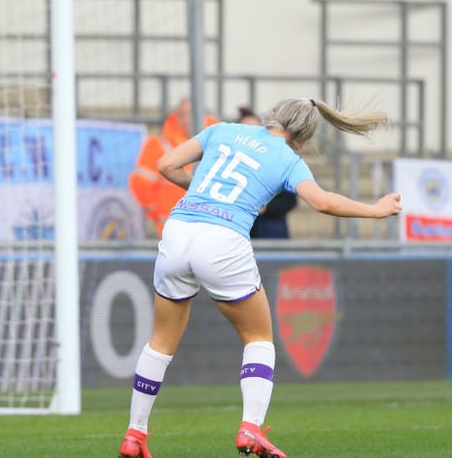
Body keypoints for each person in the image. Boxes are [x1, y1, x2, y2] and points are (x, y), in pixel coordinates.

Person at [117, 98, 402, 458]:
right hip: (223, 238)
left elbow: (165, 164)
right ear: (301, 139)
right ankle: (251, 428)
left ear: (273, 117)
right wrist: (376, 210)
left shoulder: (222, 130)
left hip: (178, 229)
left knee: (160, 341)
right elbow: (323, 202)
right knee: (258, 337)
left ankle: (135, 435)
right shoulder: (287, 159)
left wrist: (202, 193)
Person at [129, 98, 220, 236]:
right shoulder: (158, 144)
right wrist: (156, 214)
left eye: (191, 114)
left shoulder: (220, 142)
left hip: (210, 228)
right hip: (171, 228)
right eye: (182, 115)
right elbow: (140, 184)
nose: (187, 120)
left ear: (204, 115)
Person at [237, 107, 298, 239]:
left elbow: (290, 200)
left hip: (270, 233)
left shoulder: (278, 160)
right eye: (246, 128)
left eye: (254, 129)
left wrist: (265, 208)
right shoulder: (228, 162)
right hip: (239, 234)